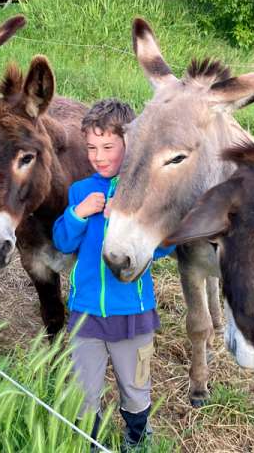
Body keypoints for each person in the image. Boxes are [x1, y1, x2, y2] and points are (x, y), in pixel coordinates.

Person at [52, 98, 173, 451]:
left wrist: (130, 226)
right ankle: (88, 441)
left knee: (136, 387)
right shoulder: (80, 190)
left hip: (133, 314)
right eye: (91, 147)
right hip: (86, 311)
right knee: (83, 388)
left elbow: (165, 247)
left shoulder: (145, 191)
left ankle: (136, 436)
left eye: (108, 147)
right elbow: (61, 240)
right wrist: (78, 213)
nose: (98, 156)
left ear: (129, 144)